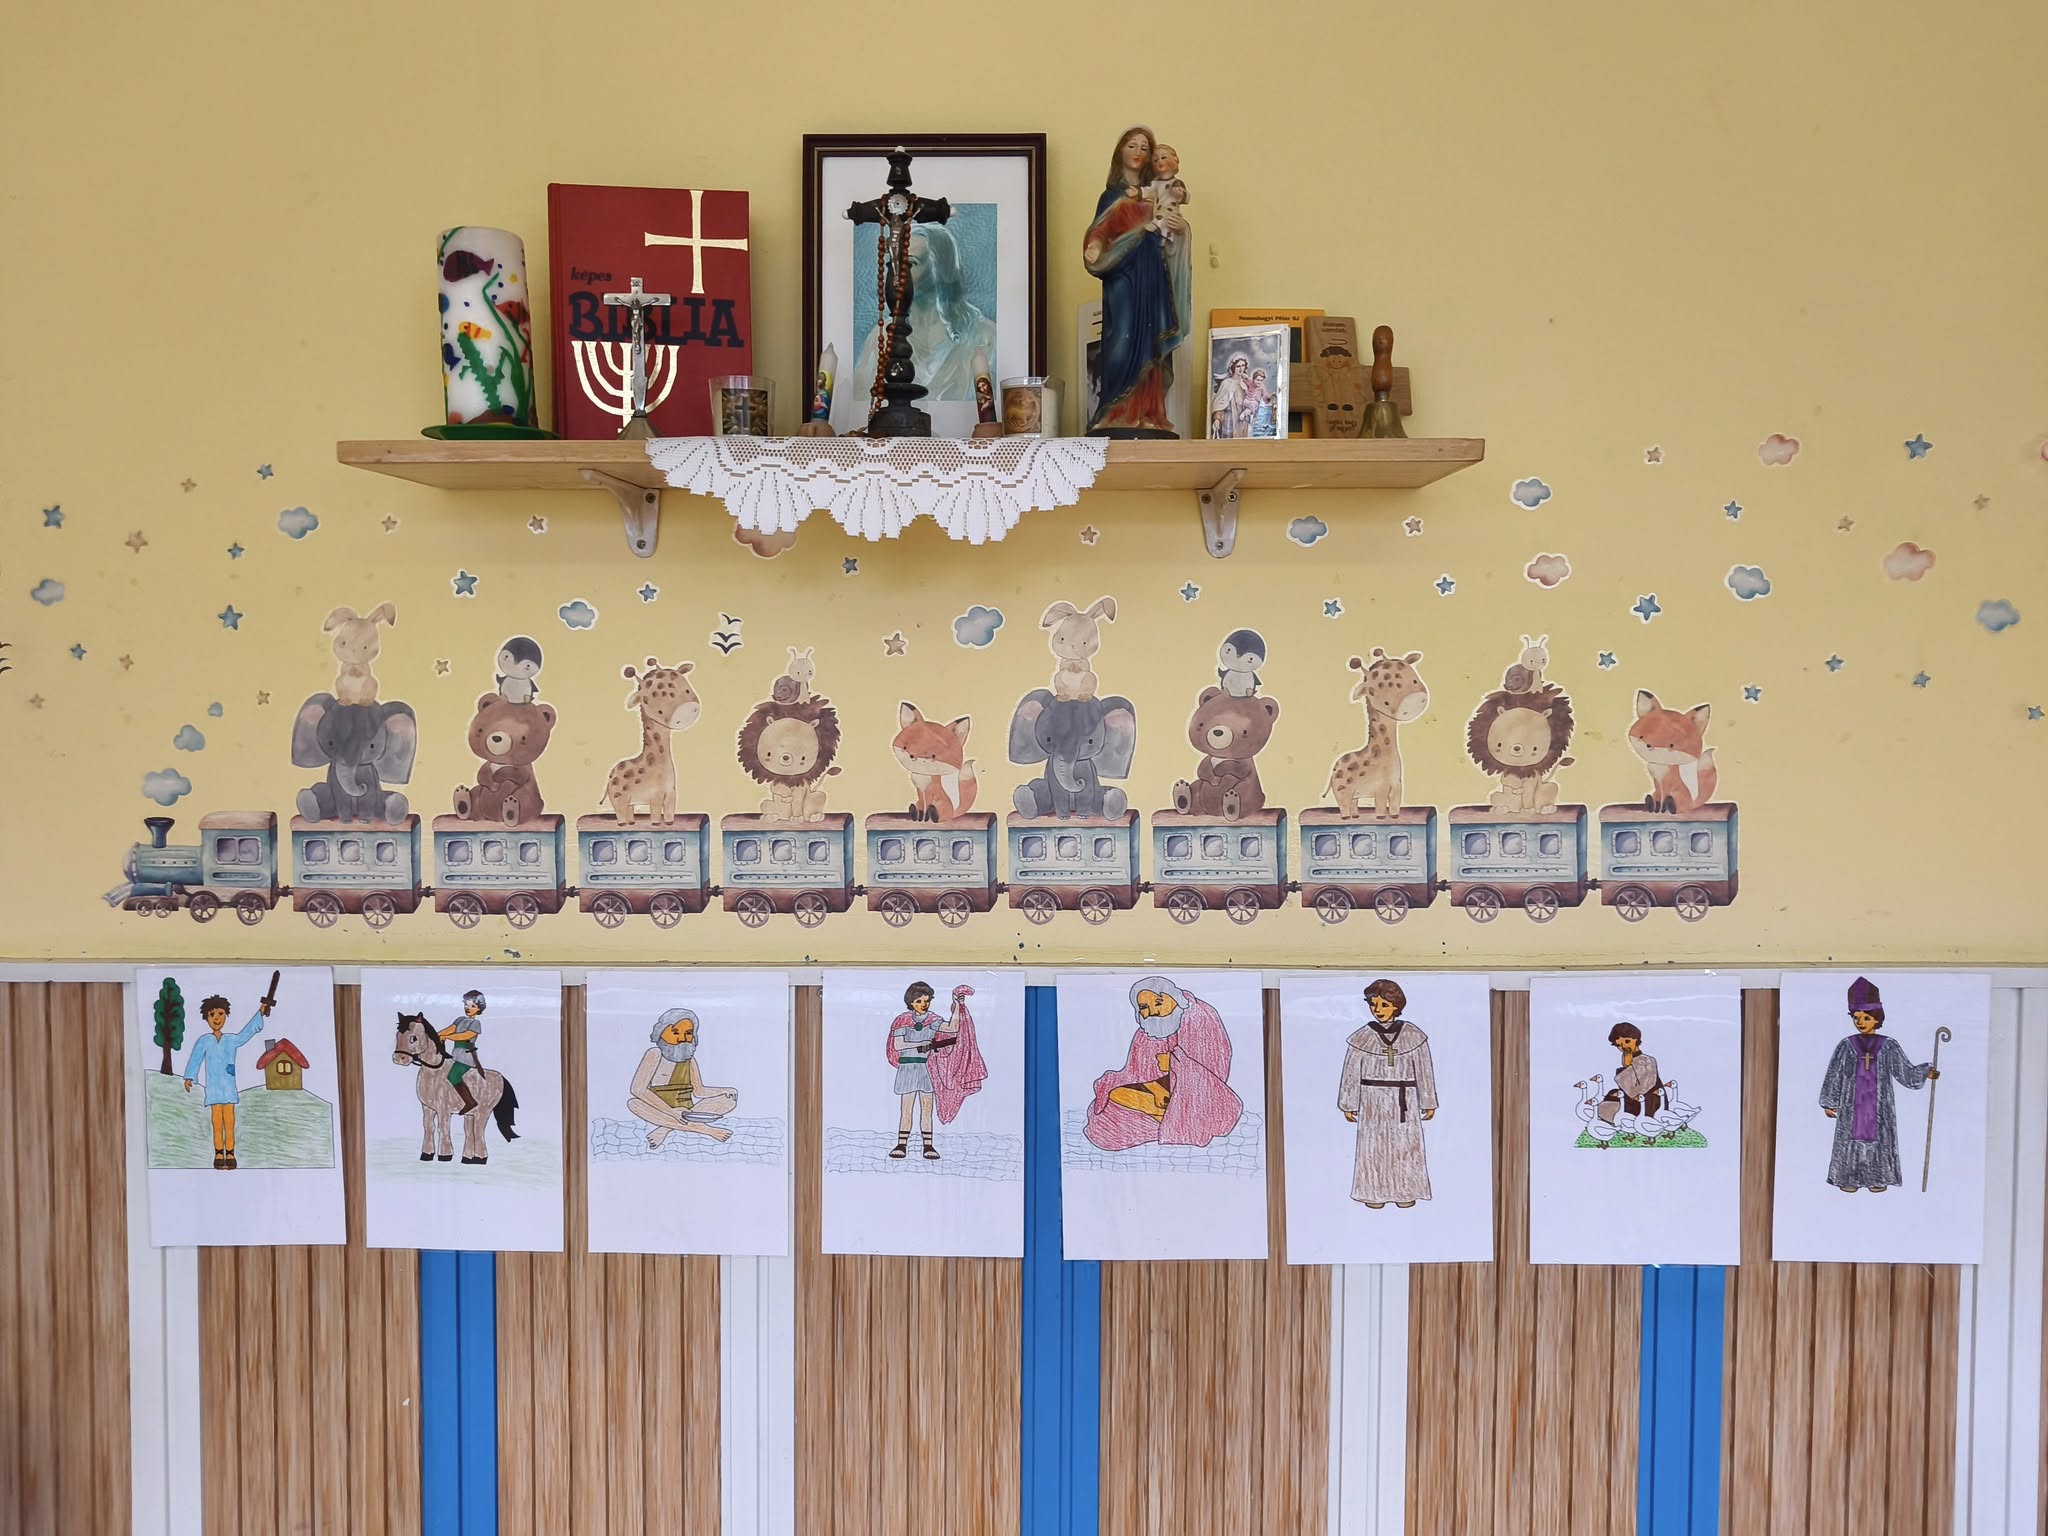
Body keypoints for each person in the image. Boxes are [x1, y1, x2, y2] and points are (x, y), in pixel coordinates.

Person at [1082, 126, 1188, 436]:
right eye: (1132, 145)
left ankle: (1148, 413)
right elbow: (1100, 229)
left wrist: (1181, 229)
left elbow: (1172, 226)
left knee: (1151, 339)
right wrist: (1095, 245)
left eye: (1145, 147)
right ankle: (1114, 411)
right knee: (1122, 336)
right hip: (1122, 275)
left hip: (1152, 274)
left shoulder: (1156, 191)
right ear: (1120, 152)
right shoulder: (1111, 196)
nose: (1138, 152)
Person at [848, 224, 998, 416]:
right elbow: (862, 402)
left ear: (939, 268)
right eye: (894, 264)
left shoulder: (984, 335)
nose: (897, 275)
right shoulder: (882, 337)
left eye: (910, 263)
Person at [1085, 975, 1242, 1151]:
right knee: (1113, 1095)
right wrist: (1157, 1088)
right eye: (1144, 1007)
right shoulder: (1150, 1028)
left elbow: (1214, 1069)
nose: (1153, 1011)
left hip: (1199, 1093)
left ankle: (1173, 1117)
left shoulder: (1199, 1017)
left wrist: (1174, 1063)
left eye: (1158, 1003)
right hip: (1163, 1092)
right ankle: (1163, 1114)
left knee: (1118, 1119)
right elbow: (1137, 1072)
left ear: (1174, 998)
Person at [1819, 975, 1937, 1193]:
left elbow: (1904, 1071)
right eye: (1856, 1018)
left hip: (1879, 1107)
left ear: (1876, 1018)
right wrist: (1829, 1102)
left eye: (1866, 1017)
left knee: (1881, 1135)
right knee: (1849, 1136)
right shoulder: (1846, 1045)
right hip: (1852, 1106)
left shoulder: (1888, 1045)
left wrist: (1924, 1072)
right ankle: (1849, 1179)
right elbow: (1834, 1074)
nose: (1860, 1022)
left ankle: (1878, 1178)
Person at [1338, 979, 1438, 1208]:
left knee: (1406, 1147)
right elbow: (1351, 1072)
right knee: (1373, 1148)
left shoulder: (1413, 1035)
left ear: (1396, 1005)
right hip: (1372, 1101)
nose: (1378, 1010)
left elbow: (1424, 1069)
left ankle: (1406, 1193)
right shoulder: (1362, 1037)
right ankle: (1374, 1194)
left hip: (1405, 1102)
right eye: (1374, 1005)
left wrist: (1428, 1101)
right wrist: (1348, 1103)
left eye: (1384, 1005)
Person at [885, 981, 985, 1160]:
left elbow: (953, 1029)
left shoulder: (932, 1019)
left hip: (927, 1069)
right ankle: (901, 1144)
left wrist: (957, 1005)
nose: (923, 1004)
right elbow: (898, 1045)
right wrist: (923, 1044)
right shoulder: (902, 1020)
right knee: (906, 1109)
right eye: (919, 1001)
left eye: (926, 1000)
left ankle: (928, 1146)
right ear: (911, 1002)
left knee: (927, 1108)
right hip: (907, 1068)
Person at [182, 989, 273, 1169]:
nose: (216, 1018)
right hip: (214, 1089)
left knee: (229, 1121)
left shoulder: (231, 1040)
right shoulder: (204, 1041)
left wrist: (260, 1013)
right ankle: (218, 1153)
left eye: (220, 1013)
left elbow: (246, 1033)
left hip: (228, 1088)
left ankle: (230, 1152)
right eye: (212, 1014)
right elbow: (195, 1059)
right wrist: (190, 1076)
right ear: (206, 1018)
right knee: (217, 1121)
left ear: (226, 1015)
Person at [628, 1007, 738, 1147]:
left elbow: (699, 1091)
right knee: (634, 1104)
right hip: (660, 1108)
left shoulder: (689, 1060)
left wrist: (724, 1091)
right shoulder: (654, 1054)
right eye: (675, 1032)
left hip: (688, 1111)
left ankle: (664, 1129)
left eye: (688, 1033)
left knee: (728, 1100)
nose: (682, 1038)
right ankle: (708, 1131)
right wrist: (671, 1111)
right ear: (661, 1032)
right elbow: (638, 1090)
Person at [1597, 1021, 1665, 1141]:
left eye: (1627, 1042)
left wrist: (1628, 1067)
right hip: (1630, 1099)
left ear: (1636, 1040)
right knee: (1604, 1105)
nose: (1624, 1047)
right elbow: (1626, 1089)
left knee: (1613, 1110)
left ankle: (1638, 1124)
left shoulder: (1648, 1060)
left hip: (1647, 1101)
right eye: (1619, 1045)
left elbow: (1642, 1088)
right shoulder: (1628, 1060)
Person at [438, 989, 487, 1115]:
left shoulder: (476, 1023)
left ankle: (470, 1102)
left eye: (473, 1006)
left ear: (479, 1009)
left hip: (466, 1055)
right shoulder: (460, 1019)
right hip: (456, 1053)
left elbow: (465, 1036)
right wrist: (436, 1035)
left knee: (453, 1076)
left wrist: (448, 1037)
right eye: (466, 1004)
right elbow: (449, 1029)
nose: (468, 1008)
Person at [1209, 355, 1250, 440]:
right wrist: (1217, 419)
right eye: (1238, 366)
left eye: (1243, 366)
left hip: (1241, 422)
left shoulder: (1245, 385)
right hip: (1228, 422)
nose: (1241, 369)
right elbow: (1219, 404)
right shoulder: (1226, 383)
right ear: (1233, 367)